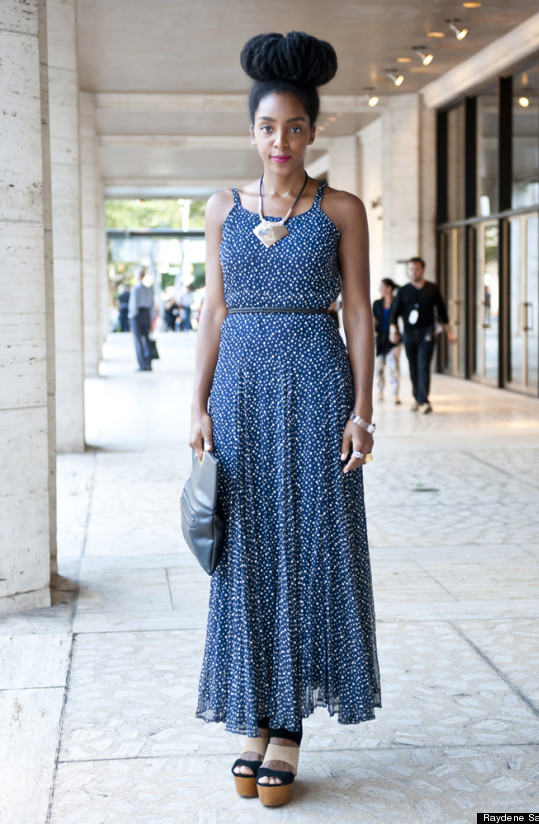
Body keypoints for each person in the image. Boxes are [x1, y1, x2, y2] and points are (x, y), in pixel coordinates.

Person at [189, 31, 381, 808]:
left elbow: (361, 315)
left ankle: (288, 727)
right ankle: (253, 719)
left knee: (305, 551)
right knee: (247, 555)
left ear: (313, 132)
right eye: (268, 127)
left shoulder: (340, 209)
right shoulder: (221, 208)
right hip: (238, 394)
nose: (281, 141)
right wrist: (196, 403)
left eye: (295, 127)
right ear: (251, 132)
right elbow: (215, 308)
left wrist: (364, 412)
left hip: (315, 390)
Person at [388, 257, 457, 413]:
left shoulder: (432, 288)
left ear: (423, 270)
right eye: (411, 269)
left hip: (427, 333)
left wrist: (450, 334)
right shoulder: (403, 291)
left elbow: (442, 312)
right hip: (409, 334)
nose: (414, 272)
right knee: (413, 367)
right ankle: (417, 398)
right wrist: (393, 331)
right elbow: (394, 313)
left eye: (417, 269)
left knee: (423, 365)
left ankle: (424, 400)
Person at [372, 278, 401, 404]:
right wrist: (373, 331)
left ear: (389, 288)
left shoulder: (397, 302)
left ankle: (395, 395)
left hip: (394, 339)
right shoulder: (377, 303)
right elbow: (373, 319)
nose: (380, 289)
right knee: (379, 367)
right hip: (380, 339)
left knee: (393, 366)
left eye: (382, 286)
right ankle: (380, 392)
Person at [128, 267, 154, 371]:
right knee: (146, 339)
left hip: (137, 315)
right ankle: (148, 363)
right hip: (146, 315)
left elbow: (133, 304)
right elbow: (152, 306)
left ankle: (142, 365)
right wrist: (150, 318)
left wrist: (132, 316)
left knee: (138, 340)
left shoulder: (135, 289)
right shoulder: (148, 289)